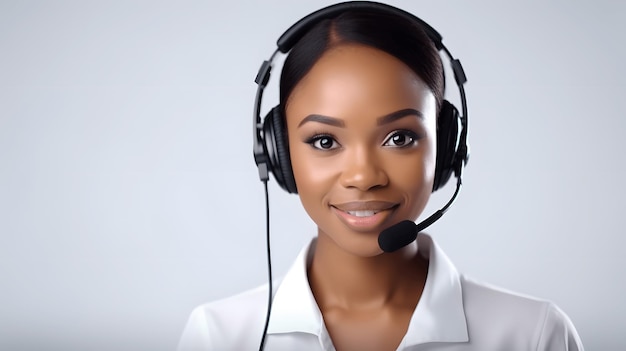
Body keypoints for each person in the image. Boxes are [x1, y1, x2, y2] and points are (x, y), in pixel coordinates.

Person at [177, 2, 584, 350]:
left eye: (399, 137)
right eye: (324, 141)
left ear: (446, 145)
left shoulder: (532, 334)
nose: (363, 176)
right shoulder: (220, 336)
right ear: (277, 151)